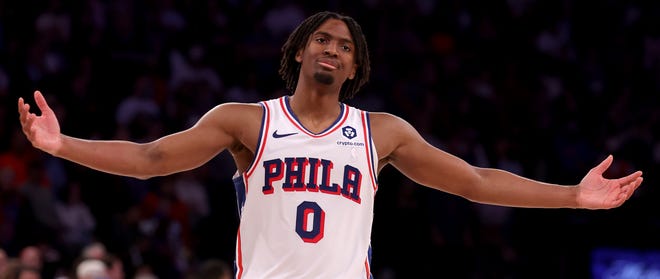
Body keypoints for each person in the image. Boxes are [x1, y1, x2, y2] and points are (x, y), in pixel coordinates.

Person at [18, 11, 643, 279]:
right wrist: (61, 144)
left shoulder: (380, 132)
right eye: (322, 39)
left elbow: (475, 182)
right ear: (297, 51)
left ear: (354, 67)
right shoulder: (246, 121)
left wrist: (572, 198)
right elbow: (152, 159)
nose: (332, 48)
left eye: (345, 46)